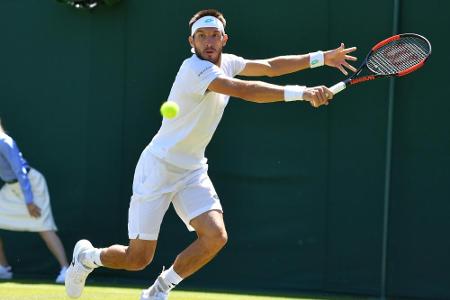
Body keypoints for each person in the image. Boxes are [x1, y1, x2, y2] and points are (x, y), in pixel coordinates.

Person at [65, 8, 357, 300]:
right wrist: (303, 93)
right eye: (201, 36)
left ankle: (159, 290)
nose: (208, 41)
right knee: (137, 258)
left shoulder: (228, 62)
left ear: (224, 39)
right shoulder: (194, 69)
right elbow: (244, 90)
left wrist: (322, 58)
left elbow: (269, 66)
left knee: (215, 237)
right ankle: (87, 257)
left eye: (214, 36)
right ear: (191, 42)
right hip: (158, 167)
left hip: (192, 170)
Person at [0, 119, 69, 283]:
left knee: (44, 227)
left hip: (31, 185)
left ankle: (66, 269)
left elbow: (20, 171)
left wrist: (29, 201)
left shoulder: (5, 142)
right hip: (11, 189)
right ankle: (4, 268)